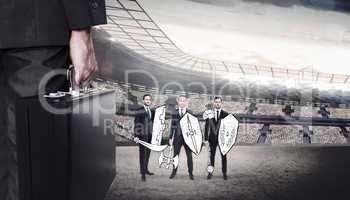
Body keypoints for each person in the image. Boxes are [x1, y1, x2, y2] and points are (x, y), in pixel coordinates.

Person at [0, 1, 106, 199]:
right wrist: (82, 26)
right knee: (35, 163)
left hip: (33, 32)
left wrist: (81, 27)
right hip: (35, 28)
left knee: (32, 161)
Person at [169, 95, 194, 180]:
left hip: (188, 138)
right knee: (175, 156)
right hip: (177, 137)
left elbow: (193, 126)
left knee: (189, 156)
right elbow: (172, 126)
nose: (182, 102)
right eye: (181, 100)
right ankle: (174, 172)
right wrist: (170, 137)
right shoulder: (174, 112)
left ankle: (191, 173)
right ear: (178, 102)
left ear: (186, 102)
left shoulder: (190, 112)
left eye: (184, 100)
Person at [204, 96, 229, 180]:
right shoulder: (209, 113)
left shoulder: (225, 114)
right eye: (216, 102)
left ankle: (224, 173)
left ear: (221, 103)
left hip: (222, 139)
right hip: (212, 139)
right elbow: (207, 127)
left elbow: (228, 128)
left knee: (224, 156)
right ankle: (210, 173)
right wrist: (206, 139)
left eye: (219, 102)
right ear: (214, 103)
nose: (217, 103)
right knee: (211, 156)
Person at [133, 94, 155, 181]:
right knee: (142, 155)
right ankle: (143, 174)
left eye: (149, 99)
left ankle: (146, 170)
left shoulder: (151, 111)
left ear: (150, 101)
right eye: (146, 99)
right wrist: (136, 136)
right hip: (142, 136)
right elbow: (136, 123)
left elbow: (153, 122)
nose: (148, 101)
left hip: (150, 136)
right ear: (143, 100)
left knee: (148, 154)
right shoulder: (139, 110)